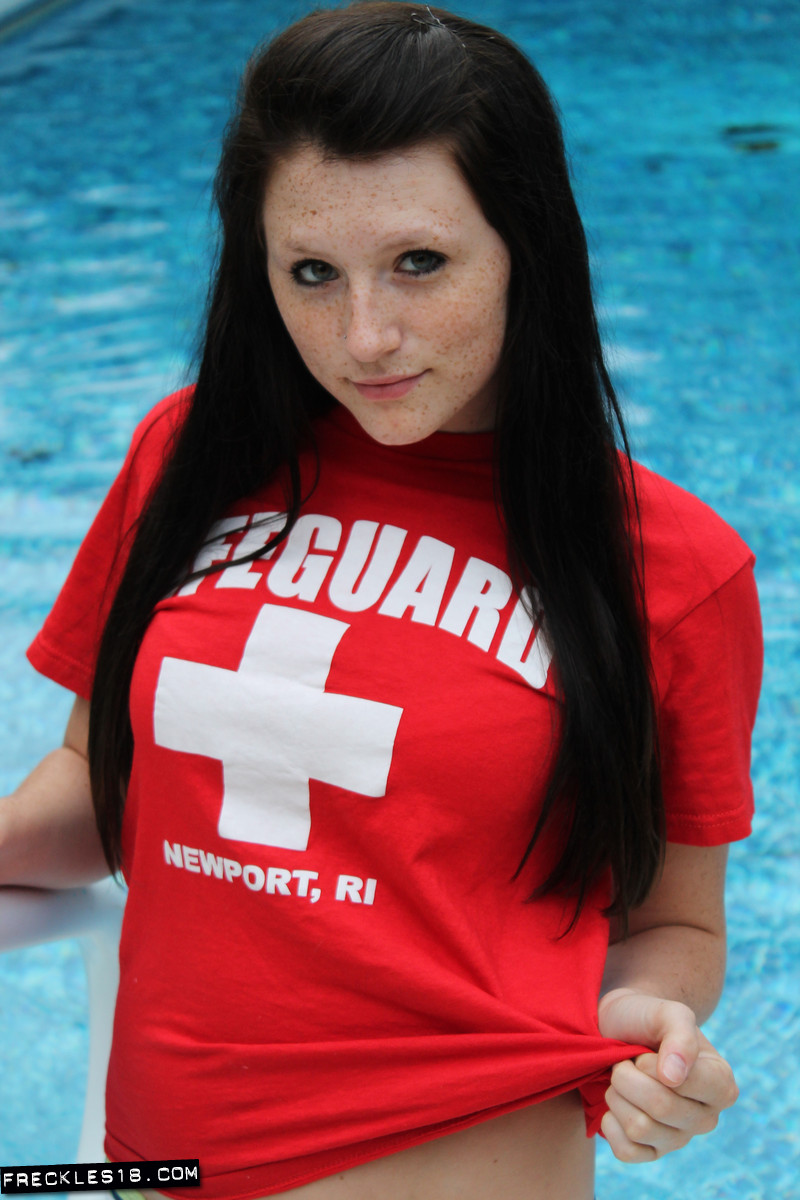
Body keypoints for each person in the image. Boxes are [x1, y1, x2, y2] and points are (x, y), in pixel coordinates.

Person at [0, 4, 763, 1198]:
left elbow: (677, 925)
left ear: (523, 247)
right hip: (157, 1169)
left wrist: (650, 1036)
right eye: (312, 273)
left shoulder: (669, 567)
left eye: (419, 263)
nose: (364, 337)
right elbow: (102, 792)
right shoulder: (185, 461)